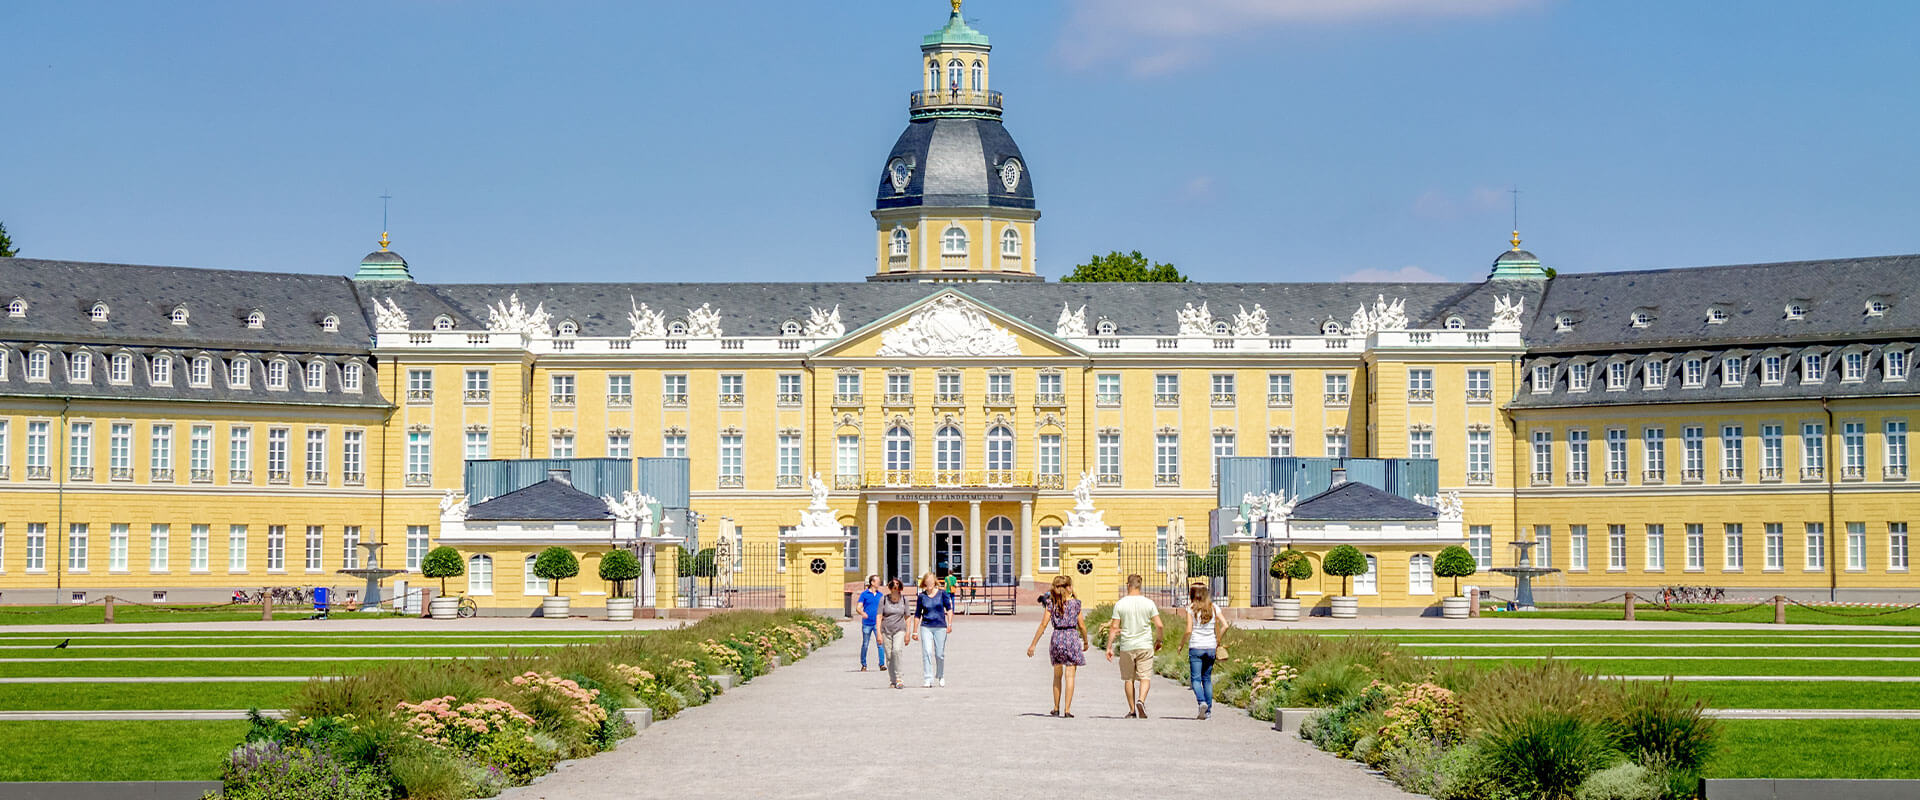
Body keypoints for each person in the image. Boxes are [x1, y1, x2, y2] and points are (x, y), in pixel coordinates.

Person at [1026, 575, 1088, 717]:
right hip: (1072, 637)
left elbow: (1043, 625)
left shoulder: (1051, 604)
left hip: (1057, 638)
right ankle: (1067, 710)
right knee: (1070, 676)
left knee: (1057, 675)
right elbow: (1082, 626)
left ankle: (1055, 707)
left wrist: (1033, 645)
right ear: (1069, 587)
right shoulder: (1076, 604)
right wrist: (1085, 641)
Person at [1105, 573, 1163, 719]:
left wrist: (1109, 647)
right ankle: (1141, 700)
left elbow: (1114, 627)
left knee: (1128, 678)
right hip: (1145, 644)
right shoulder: (1149, 603)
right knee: (1145, 677)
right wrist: (1159, 640)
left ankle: (1132, 710)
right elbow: (1159, 625)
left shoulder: (1121, 603)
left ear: (1128, 586)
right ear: (1140, 586)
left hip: (1127, 645)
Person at [1180, 583, 1228, 719]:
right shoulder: (1214, 607)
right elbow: (1225, 625)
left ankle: (1201, 702)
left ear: (1192, 594)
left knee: (1195, 679)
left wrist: (1181, 644)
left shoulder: (1190, 609)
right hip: (1211, 647)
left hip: (1196, 646)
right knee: (1207, 679)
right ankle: (1208, 712)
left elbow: (1189, 630)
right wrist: (1217, 639)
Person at [908, 571, 954, 688]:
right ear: (924, 583)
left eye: (931, 582)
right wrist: (914, 631)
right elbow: (918, 614)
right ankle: (928, 678)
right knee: (927, 652)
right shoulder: (922, 596)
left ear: (934, 582)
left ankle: (940, 675)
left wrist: (949, 624)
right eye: (927, 582)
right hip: (926, 626)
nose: (929, 584)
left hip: (940, 626)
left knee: (939, 654)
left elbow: (949, 609)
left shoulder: (942, 594)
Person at [879, 578, 911, 689]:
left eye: (897, 587)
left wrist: (908, 633)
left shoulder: (904, 600)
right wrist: (878, 633)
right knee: (889, 655)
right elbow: (879, 616)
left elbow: (907, 617)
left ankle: (899, 678)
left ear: (900, 588)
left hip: (899, 629)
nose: (895, 589)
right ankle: (892, 680)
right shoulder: (884, 599)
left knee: (896, 650)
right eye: (893, 587)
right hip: (886, 630)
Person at [856, 575, 886, 672]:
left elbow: (884, 608)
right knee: (865, 644)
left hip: (877, 623)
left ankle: (882, 664)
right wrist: (862, 613)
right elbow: (858, 607)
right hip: (867, 623)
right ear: (872, 583)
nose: (879, 583)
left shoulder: (880, 595)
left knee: (880, 643)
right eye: (878, 581)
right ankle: (863, 664)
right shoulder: (864, 594)